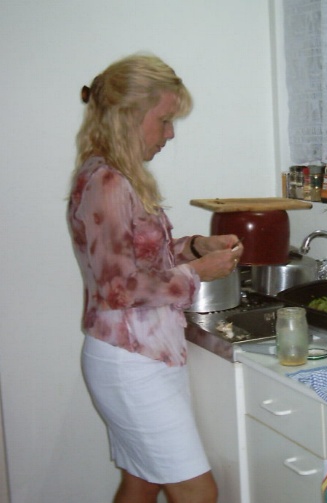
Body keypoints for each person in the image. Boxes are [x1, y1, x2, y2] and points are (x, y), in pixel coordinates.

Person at [67, 53, 242, 503]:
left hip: (144, 355)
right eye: (164, 120)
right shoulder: (107, 181)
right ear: (128, 117)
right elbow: (117, 288)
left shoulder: (118, 175)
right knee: (198, 493)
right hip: (131, 362)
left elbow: (142, 257)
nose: (170, 133)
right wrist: (196, 274)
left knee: (141, 483)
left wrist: (194, 248)